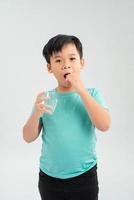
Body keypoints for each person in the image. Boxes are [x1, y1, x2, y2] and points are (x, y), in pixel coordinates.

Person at [23, 34, 111, 200]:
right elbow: (27, 137)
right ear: (49, 68)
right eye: (58, 61)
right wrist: (36, 113)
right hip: (49, 179)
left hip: (85, 177)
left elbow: (105, 125)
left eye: (72, 59)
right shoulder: (46, 99)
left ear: (82, 63)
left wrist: (82, 91)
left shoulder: (92, 94)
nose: (66, 65)